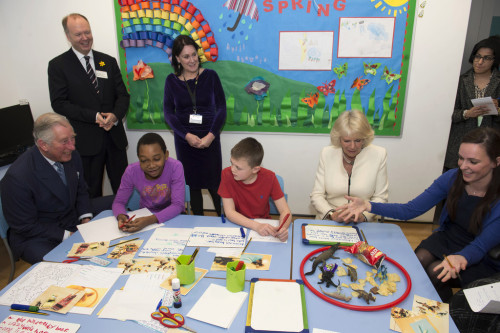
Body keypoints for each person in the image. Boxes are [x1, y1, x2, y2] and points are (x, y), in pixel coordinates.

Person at [338, 127, 500, 302]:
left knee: (436, 272)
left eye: (473, 161)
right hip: (449, 238)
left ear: (495, 162)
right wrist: (368, 205)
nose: (463, 166)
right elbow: (410, 210)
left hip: (481, 254)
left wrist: (462, 256)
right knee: (419, 261)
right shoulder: (452, 178)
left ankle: (440, 312)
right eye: (461, 158)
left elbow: (481, 246)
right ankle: (429, 303)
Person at [0, 113, 111, 264]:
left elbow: (81, 190)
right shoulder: (17, 178)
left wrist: (86, 218)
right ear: (43, 144)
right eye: (65, 141)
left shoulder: (70, 154)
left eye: (73, 138)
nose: (72, 146)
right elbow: (25, 226)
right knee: (70, 266)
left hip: (69, 217)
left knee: (118, 204)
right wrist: (69, 235)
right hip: (37, 235)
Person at [48, 13, 130, 198]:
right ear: (68, 37)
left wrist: (115, 116)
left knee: (125, 190)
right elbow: (59, 103)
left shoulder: (107, 61)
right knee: (90, 193)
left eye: (87, 32)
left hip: (114, 140)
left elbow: (123, 96)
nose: (85, 38)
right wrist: (93, 116)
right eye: (78, 34)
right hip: (86, 143)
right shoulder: (58, 66)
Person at [163, 35, 226, 216]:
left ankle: (224, 222)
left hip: (210, 139)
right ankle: (197, 224)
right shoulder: (171, 81)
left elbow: (221, 108)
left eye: (194, 55)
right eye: (186, 57)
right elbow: (168, 113)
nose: (192, 60)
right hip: (185, 143)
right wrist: (186, 136)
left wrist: (211, 136)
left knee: (215, 185)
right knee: (194, 187)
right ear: (177, 59)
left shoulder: (211, 76)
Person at [310, 109, 388, 222]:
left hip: (364, 222)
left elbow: (381, 198)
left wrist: (364, 216)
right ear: (339, 139)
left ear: (365, 138)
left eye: (357, 140)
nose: (352, 146)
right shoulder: (327, 153)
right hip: (330, 220)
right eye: (347, 141)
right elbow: (317, 195)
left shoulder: (379, 154)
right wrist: (332, 214)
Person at [218, 137, 292, 242]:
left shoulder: (269, 177)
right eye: (231, 163)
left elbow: (285, 211)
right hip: (237, 225)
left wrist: (283, 228)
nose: (232, 169)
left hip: (263, 227)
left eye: (238, 167)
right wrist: (256, 226)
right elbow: (229, 212)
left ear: (255, 169)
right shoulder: (226, 174)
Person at [444, 36, 500, 170]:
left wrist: (497, 110)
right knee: (454, 182)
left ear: (495, 60)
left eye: (486, 58)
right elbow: (451, 114)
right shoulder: (462, 80)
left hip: (489, 141)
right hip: (461, 141)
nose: (480, 62)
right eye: (477, 56)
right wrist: (467, 113)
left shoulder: (498, 81)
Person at [112, 133, 185, 232]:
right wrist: (121, 216)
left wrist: (150, 220)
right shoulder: (131, 171)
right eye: (144, 160)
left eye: (156, 159)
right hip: (145, 216)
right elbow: (119, 202)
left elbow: (178, 205)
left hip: (172, 216)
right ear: (139, 159)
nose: (151, 165)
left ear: (166, 155)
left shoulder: (175, 167)